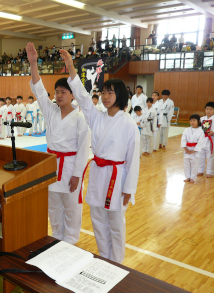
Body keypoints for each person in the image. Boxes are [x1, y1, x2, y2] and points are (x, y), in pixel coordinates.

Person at [58, 46, 140, 263]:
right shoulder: (97, 117)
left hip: (117, 176)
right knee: (97, 219)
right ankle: (104, 257)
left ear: (120, 95)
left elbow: (133, 161)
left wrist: (129, 189)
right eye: (103, 92)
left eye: (110, 92)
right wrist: (71, 68)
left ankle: (117, 261)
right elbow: (84, 99)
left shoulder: (129, 124)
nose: (105, 96)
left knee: (115, 221)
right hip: (98, 173)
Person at [27, 42, 90, 245]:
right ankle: (56, 239)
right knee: (53, 208)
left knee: (71, 208)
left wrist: (77, 175)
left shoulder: (80, 118)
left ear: (73, 94)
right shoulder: (51, 111)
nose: (59, 95)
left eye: (64, 91)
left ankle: (71, 241)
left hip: (71, 167)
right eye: (57, 91)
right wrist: (33, 63)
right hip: (52, 166)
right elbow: (38, 89)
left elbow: (83, 149)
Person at [198, 102, 214, 178]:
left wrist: (213, 132)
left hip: (211, 140)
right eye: (207, 109)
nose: (208, 111)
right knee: (200, 156)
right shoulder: (202, 119)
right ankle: (200, 170)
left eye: (211, 109)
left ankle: (210, 172)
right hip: (202, 140)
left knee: (211, 157)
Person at [181, 115, 204, 183]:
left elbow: (200, 142)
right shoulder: (186, 130)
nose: (192, 122)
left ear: (199, 121)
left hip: (195, 150)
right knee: (186, 164)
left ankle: (193, 178)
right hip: (187, 149)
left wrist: (194, 150)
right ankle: (187, 177)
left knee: (194, 164)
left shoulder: (201, 131)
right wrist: (185, 149)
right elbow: (183, 139)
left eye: (194, 120)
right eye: (191, 121)